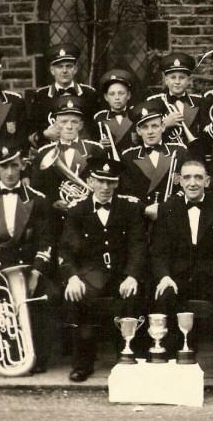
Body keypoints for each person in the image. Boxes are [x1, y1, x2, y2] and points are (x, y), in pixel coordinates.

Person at [151, 159, 213, 392]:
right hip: (179, 277)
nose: (193, 183)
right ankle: (171, 363)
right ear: (179, 180)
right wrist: (164, 276)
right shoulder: (167, 208)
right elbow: (159, 250)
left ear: (207, 181)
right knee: (164, 295)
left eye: (198, 177)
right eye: (188, 177)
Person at [0, 140, 57, 374]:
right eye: (4, 166)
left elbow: (47, 241)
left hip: (27, 268)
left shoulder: (38, 199)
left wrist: (36, 271)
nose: (9, 172)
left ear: (22, 166)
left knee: (49, 297)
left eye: (14, 166)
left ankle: (38, 357)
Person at [58, 158, 146, 382]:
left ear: (117, 183)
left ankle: (126, 357)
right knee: (79, 295)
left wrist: (132, 275)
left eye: (110, 182)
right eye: (100, 181)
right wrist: (72, 277)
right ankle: (82, 363)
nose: (105, 187)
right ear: (90, 181)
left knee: (132, 294)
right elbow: (66, 249)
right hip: (91, 274)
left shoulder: (130, 208)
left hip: (121, 273)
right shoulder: (77, 210)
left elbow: (138, 245)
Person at [30, 95, 105, 217]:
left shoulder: (96, 150)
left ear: (80, 125)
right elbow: (36, 188)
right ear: (55, 124)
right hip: (55, 217)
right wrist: (53, 202)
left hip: (88, 214)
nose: (69, 127)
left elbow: (104, 184)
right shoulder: (44, 153)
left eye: (74, 122)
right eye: (64, 121)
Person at [120, 99, 187, 221]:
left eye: (154, 126)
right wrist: (144, 209)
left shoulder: (179, 151)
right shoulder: (128, 157)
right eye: (145, 127)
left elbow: (186, 187)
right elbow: (126, 192)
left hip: (172, 216)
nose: (150, 132)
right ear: (139, 131)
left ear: (162, 127)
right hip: (141, 218)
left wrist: (164, 208)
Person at [27, 43, 98, 150]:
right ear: (52, 70)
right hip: (51, 151)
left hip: (83, 152)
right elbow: (31, 130)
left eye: (69, 66)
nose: (64, 71)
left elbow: (95, 128)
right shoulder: (40, 96)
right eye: (59, 67)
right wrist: (45, 134)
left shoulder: (89, 94)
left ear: (75, 69)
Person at [146, 52, 206, 151]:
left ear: (189, 80)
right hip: (165, 156)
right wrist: (164, 124)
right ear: (166, 80)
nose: (177, 82)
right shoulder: (154, 102)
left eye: (182, 78)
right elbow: (147, 134)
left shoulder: (199, 101)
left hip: (192, 154)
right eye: (173, 77)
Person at [93, 68, 136, 158]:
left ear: (128, 95)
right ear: (106, 97)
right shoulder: (100, 118)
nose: (117, 98)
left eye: (121, 93)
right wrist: (100, 145)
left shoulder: (135, 114)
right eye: (112, 94)